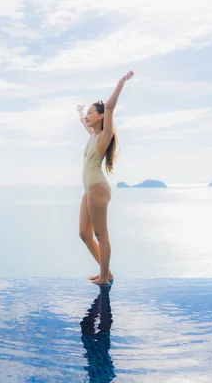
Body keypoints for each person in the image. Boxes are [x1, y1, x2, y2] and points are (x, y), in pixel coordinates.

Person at [77, 70, 134, 286]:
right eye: (87, 113)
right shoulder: (92, 136)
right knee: (84, 234)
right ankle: (106, 272)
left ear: (101, 116)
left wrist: (121, 83)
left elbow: (109, 107)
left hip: (98, 189)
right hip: (88, 189)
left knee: (102, 235)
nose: (87, 116)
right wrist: (80, 111)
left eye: (91, 112)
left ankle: (104, 277)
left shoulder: (104, 135)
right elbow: (84, 123)